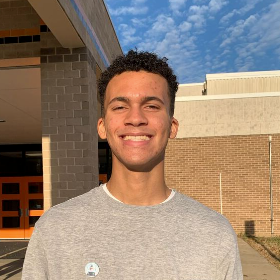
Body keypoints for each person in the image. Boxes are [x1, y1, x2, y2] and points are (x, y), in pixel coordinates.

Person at [22, 50, 243, 279]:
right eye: (120, 107)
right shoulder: (55, 230)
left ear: (172, 126)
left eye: (151, 106)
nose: (135, 118)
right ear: (102, 126)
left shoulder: (214, 235)